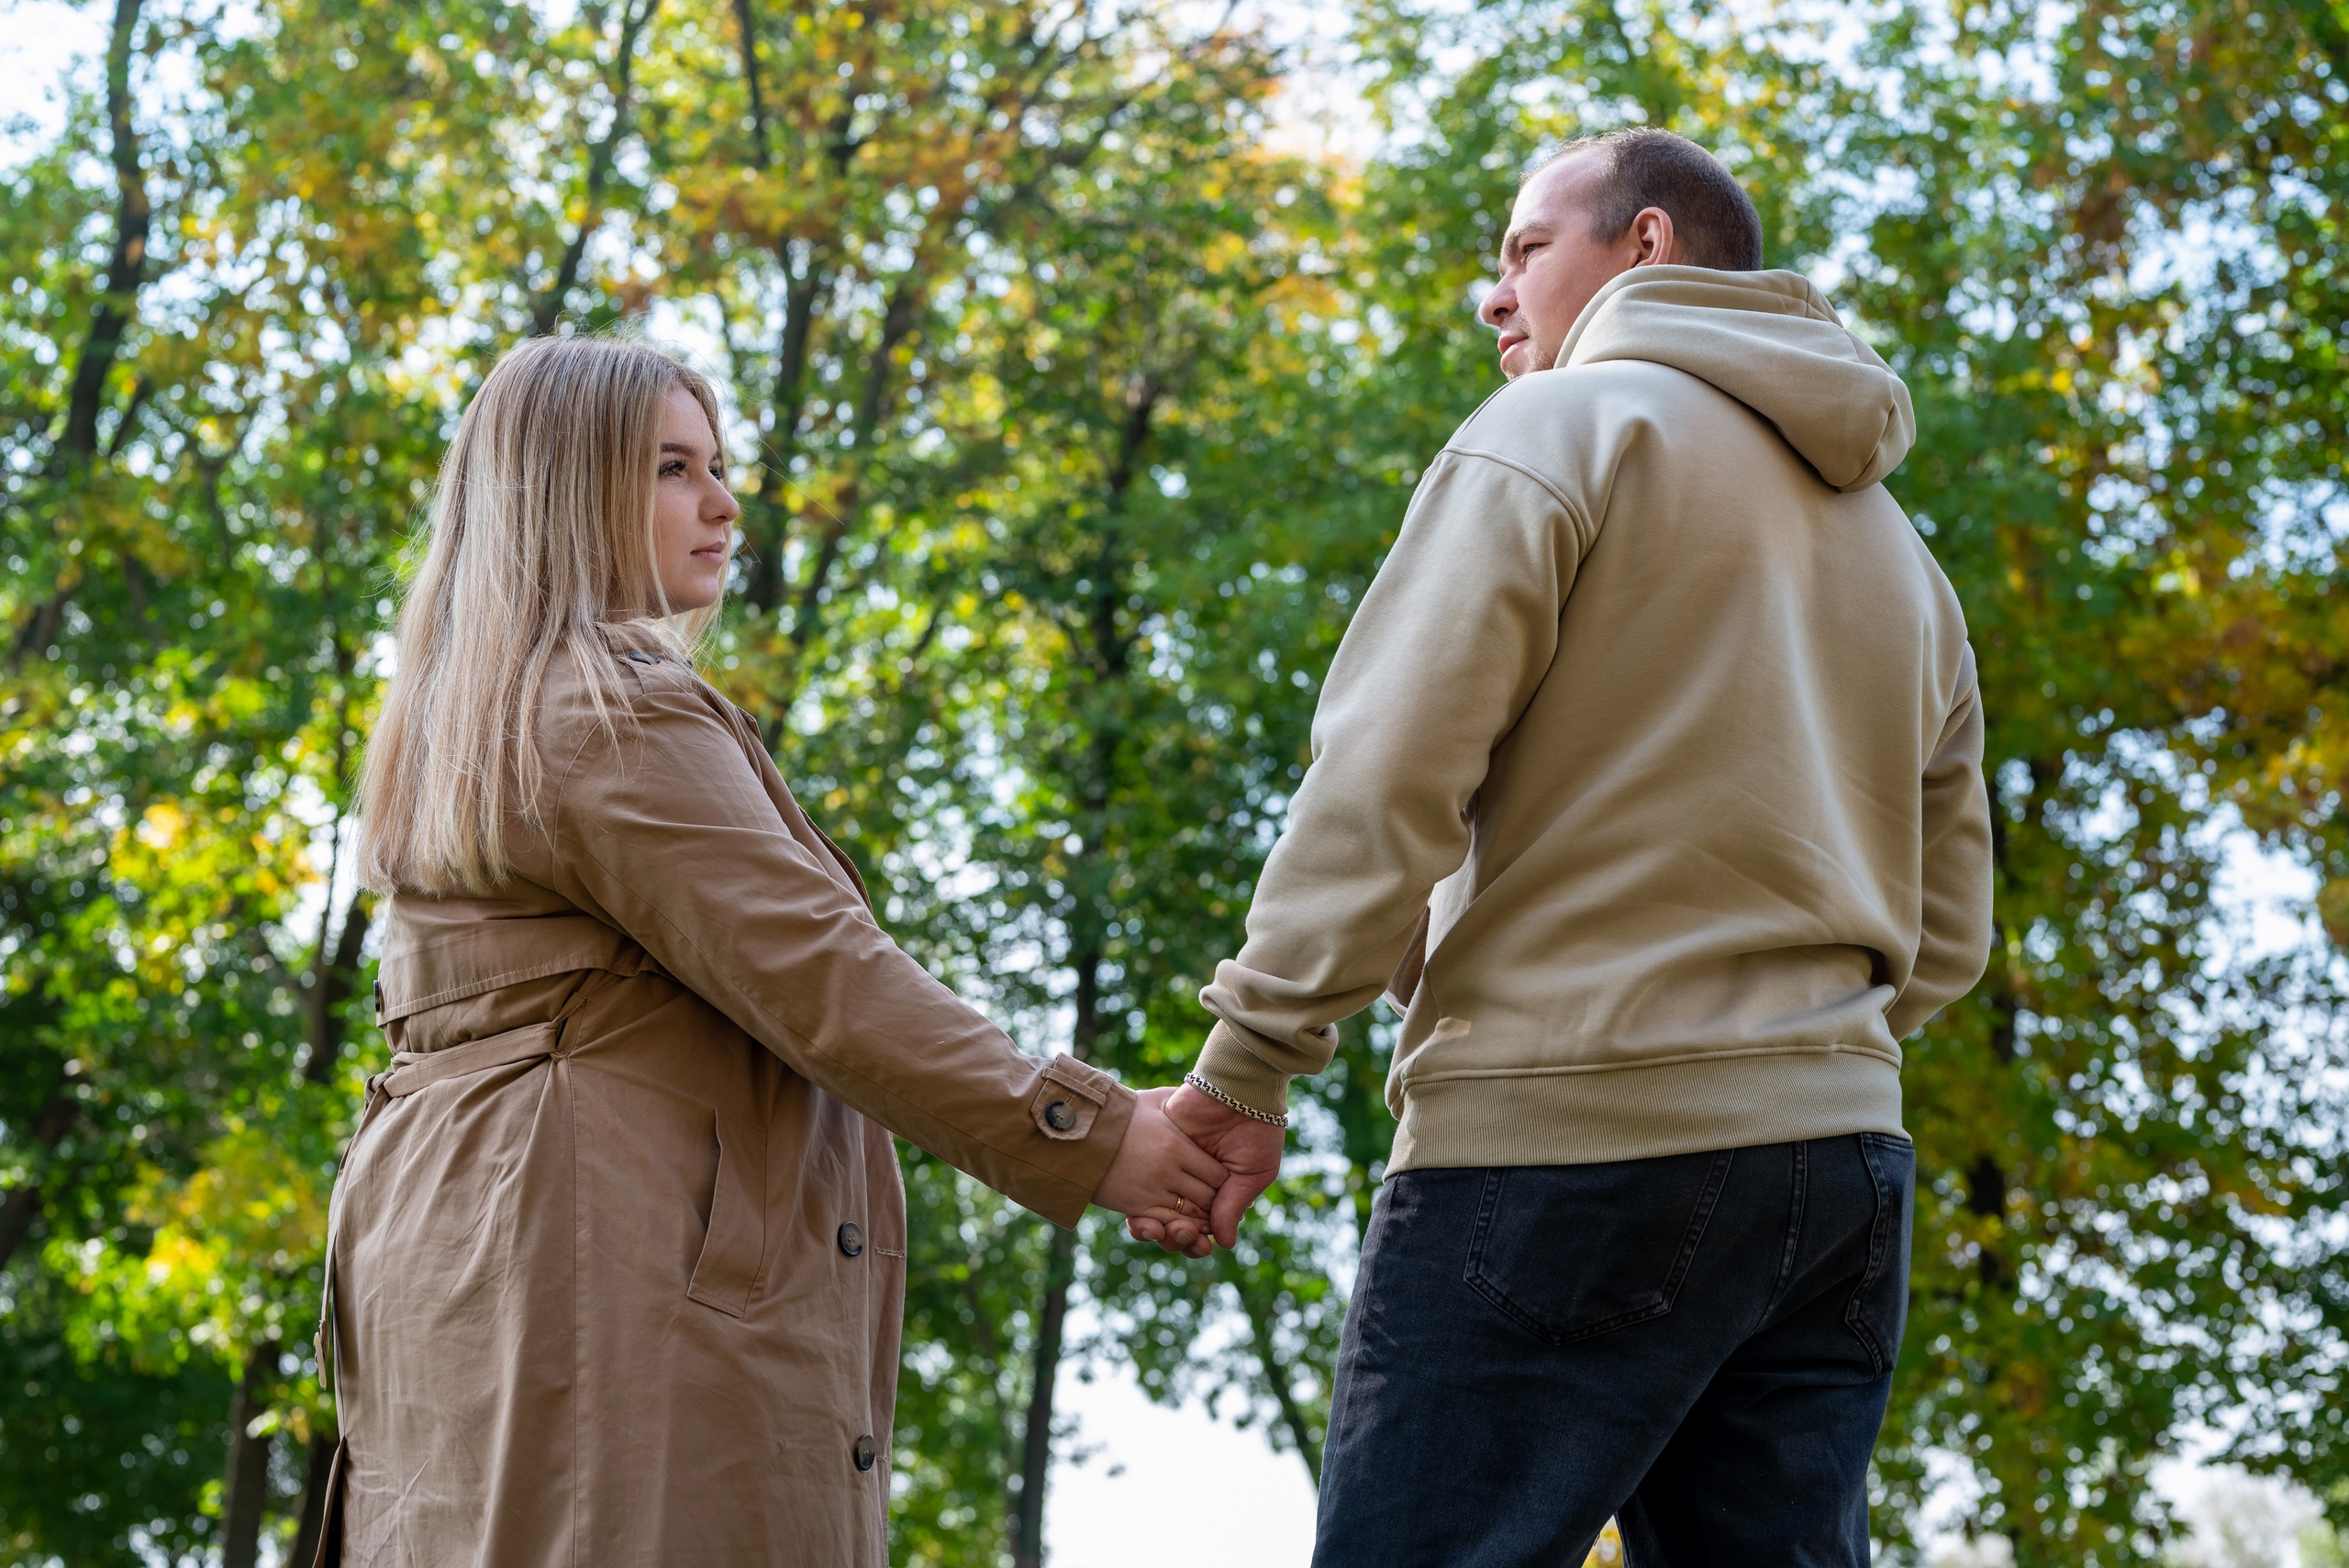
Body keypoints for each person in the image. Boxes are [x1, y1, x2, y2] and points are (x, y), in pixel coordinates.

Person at [1144, 128, 1995, 1564]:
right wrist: (1782, 1043)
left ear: (1646, 245)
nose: (1496, 294)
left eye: (1527, 248)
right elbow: (1951, 926)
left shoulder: (1556, 436)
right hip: (1838, 1171)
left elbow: (1385, 778)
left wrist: (1248, 1063)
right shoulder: (1902, 556)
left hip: (1562, 1148)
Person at [317, 335, 1225, 1567]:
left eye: (720, 463)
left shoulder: (482, 720)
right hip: (614, 1281)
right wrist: (1098, 1138)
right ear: (566, 492)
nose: (724, 499)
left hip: (489, 1264)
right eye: (674, 467)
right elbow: (824, 974)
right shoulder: (605, 705)